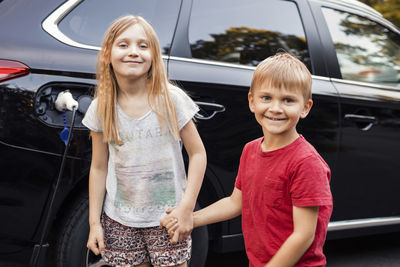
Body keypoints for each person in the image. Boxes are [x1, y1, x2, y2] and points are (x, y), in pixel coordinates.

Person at [162, 53, 333, 267]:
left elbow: (303, 236)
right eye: (266, 98)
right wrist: (189, 218)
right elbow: (235, 202)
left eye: (288, 100)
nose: (275, 108)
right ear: (252, 101)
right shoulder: (250, 150)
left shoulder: (306, 162)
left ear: (305, 107)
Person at [83, 15, 206, 267]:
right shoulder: (101, 107)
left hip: (169, 217)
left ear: (154, 57)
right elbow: (98, 167)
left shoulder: (171, 99)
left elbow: (198, 154)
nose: (133, 52)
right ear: (107, 54)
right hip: (119, 221)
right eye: (123, 44)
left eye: (143, 45)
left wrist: (186, 208)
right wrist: (95, 223)